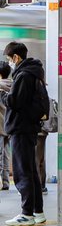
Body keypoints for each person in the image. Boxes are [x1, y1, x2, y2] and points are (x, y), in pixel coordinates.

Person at [0, 42, 45, 226]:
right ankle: (37, 211)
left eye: (10, 59)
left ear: (16, 57)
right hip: (28, 128)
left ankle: (27, 213)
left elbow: (15, 102)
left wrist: (1, 94)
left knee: (22, 171)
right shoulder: (33, 72)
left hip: (21, 128)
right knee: (31, 170)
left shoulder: (24, 75)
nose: (10, 62)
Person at [0, 63, 10, 191]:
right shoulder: (13, 85)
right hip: (9, 125)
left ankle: (1, 183)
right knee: (6, 154)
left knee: (0, 155)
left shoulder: (0, 87)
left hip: (0, 125)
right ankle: (6, 182)